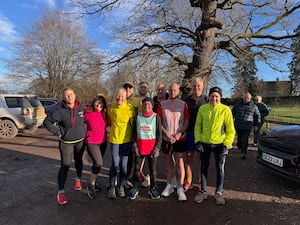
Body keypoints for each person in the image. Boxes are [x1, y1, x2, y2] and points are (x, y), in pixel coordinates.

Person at [43, 87, 86, 205]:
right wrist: (57, 132)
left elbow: (89, 119)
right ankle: (61, 192)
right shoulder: (60, 111)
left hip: (80, 141)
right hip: (66, 143)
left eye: (71, 94)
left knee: (79, 161)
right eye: (67, 95)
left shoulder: (82, 108)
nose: (70, 97)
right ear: (64, 97)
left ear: (75, 95)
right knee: (65, 166)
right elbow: (46, 122)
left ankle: (78, 179)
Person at [194, 86, 235, 205]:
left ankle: (218, 192)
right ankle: (203, 191)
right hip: (205, 144)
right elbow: (197, 126)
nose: (214, 98)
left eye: (217, 96)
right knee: (203, 168)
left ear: (220, 98)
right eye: (212, 96)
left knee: (219, 168)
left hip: (220, 145)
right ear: (209, 97)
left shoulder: (225, 110)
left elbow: (230, 130)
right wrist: (198, 141)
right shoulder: (203, 108)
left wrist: (227, 144)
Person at [157, 82, 190, 201]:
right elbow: (159, 122)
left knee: (180, 162)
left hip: (180, 138)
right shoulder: (162, 104)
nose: (172, 92)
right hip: (166, 138)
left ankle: (180, 187)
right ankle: (170, 184)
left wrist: (179, 133)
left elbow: (186, 121)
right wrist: (167, 134)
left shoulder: (183, 104)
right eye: (170, 90)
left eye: (175, 90)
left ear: (178, 92)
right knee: (168, 162)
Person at [127, 97, 162, 200]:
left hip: (151, 149)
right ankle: (135, 187)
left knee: (152, 170)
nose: (147, 106)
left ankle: (152, 188)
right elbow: (133, 134)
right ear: (142, 106)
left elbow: (159, 135)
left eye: (149, 105)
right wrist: (134, 146)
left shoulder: (156, 117)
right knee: (137, 169)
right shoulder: (137, 116)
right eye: (145, 104)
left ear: (152, 106)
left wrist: (157, 148)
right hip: (140, 148)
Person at [107, 88, 135, 199]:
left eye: (122, 96)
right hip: (114, 141)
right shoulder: (111, 107)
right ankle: (112, 188)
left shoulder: (130, 109)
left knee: (123, 166)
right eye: (118, 96)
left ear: (125, 98)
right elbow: (107, 121)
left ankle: (121, 186)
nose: (120, 98)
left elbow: (133, 125)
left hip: (126, 141)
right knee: (115, 164)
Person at [183, 78, 208, 192]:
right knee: (189, 158)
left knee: (201, 159)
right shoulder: (186, 101)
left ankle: (200, 182)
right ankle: (188, 181)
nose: (196, 88)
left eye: (198, 86)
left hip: (202, 134)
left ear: (202, 87)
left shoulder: (207, 100)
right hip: (190, 133)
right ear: (191, 87)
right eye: (194, 86)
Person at [84, 95, 108, 199]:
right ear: (94, 102)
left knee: (96, 163)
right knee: (99, 162)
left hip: (103, 142)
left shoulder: (105, 115)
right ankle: (91, 185)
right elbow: (76, 121)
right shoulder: (88, 113)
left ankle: (94, 182)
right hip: (91, 141)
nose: (99, 105)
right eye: (97, 102)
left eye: (101, 103)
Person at [232, 92, 261, 159]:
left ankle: (243, 152)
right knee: (239, 138)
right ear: (243, 97)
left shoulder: (254, 106)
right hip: (238, 125)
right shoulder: (237, 105)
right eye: (245, 98)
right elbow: (232, 114)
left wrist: (256, 125)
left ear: (250, 99)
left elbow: (257, 116)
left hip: (247, 126)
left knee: (245, 139)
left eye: (248, 98)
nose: (246, 99)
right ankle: (239, 147)